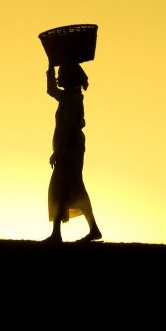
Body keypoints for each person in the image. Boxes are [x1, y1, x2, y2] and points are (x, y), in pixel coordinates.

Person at [45, 63, 102, 243]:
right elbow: (51, 90)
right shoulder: (68, 97)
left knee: (71, 187)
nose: (58, 77)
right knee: (62, 187)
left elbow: (68, 129)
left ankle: (91, 229)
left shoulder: (71, 100)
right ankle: (59, 233)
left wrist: (58, 152)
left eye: (61, 74)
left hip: (70, 149)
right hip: (69, 148)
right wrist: (51, 64)